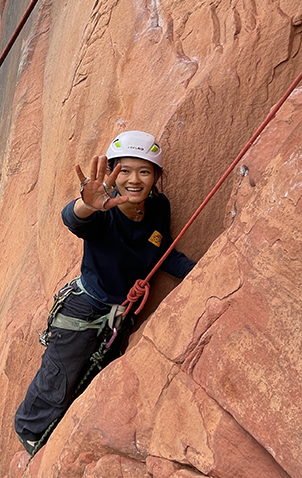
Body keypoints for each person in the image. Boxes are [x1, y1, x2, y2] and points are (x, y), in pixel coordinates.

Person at [14, 130, 195, 456]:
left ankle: (63, 433)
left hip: (120, 315)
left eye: (144, 170)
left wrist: (199, 273)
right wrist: (86, 204)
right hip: (85, 307)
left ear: (156, 176)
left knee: (96, 377)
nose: (134, 179)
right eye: (124, 170)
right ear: (113, 173)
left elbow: (162, 247)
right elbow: (73, 220)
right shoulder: (103, 211)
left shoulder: (158, 206)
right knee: (59, 375)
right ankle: (30, 432)